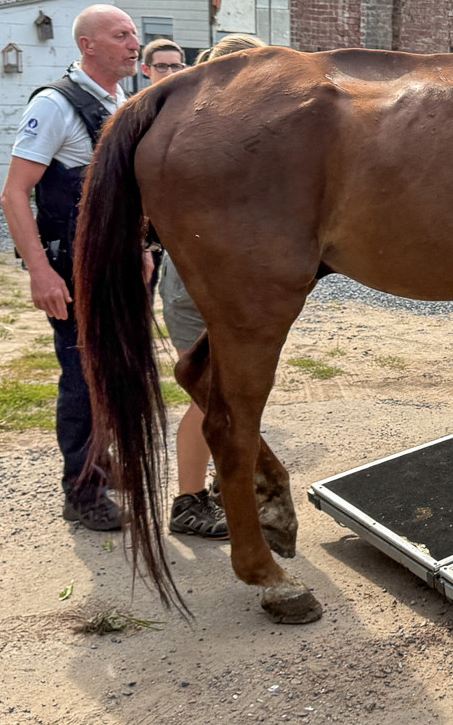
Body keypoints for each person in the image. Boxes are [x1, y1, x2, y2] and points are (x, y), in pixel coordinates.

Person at [0, 4, 143, 531]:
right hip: (72, 269)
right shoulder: (55, 105)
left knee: (115, 370)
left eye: (133, 33)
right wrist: (40, 272)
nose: (134, 43)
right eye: (121, 35)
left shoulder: (121, 102)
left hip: (118, 268)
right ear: (88, 45)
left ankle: (101, 462)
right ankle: (81, 492)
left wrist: (142, 252)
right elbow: (14, 194)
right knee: (84, 378)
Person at [160, 33, 267, 538]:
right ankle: (188, 502)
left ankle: (221, 488)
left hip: (216, 280)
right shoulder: (204, 135)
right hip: (197, 281)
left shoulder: (215, 129)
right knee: (208, 395)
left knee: (227, 395)